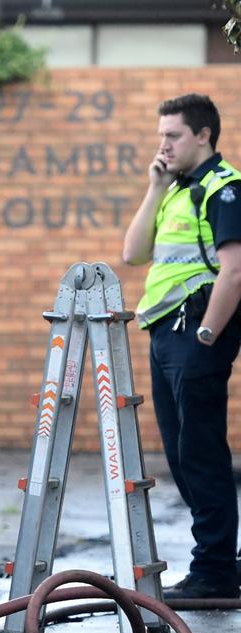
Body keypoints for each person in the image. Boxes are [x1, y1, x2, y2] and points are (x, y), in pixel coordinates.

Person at [122, 93, 241, 600]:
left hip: (197, 331)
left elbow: (235, 271)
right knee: (180, 453)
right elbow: (132, 253)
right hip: (167, 333)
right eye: (160, 136)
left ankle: (214, 572)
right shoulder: (176, 190)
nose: (163, 145)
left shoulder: (224, 188)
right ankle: (218, 564)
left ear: (203, 135)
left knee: (200, 454)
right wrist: (155, 186)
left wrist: (208, 335)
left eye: (172, 135)